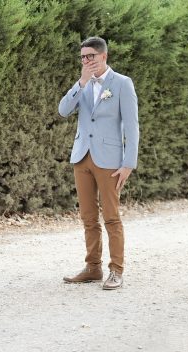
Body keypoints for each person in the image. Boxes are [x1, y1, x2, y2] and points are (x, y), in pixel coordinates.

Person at [59, 37, 139, 290]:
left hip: (110, 160)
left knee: (111, 217)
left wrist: (128, 163)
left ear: (103, 56)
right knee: (88, 217)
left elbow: (132, 126)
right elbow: (63, 110)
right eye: (83, 57)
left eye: (90, 56)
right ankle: (93, 267)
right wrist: (81, 82)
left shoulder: (122, 83)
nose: (86, 61)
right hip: (82, 156)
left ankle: (116, 270)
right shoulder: (82, 85)